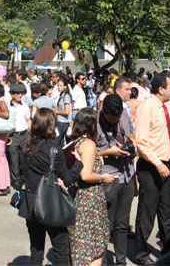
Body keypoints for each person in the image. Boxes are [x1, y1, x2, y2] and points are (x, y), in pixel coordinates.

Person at [19, 108, 83, 266]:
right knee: (61, 248)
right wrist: (79, 164)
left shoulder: (25, 146)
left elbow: (20, 173)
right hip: (50, 202)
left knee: (36, 247)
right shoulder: (54, 149)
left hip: (31, 201)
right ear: (51, 125)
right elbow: (67, 179)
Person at [134, 73, 170, 265]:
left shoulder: (165, 106)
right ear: (160, 89)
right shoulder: (147, 107)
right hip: (150, 166)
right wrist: (158, 164)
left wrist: (167, 162)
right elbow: (141, 143)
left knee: (166, 209)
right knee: (147, 211)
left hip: (164, 164)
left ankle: (169, 246)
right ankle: (141, 252)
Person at [69, 108, 114, 266]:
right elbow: (86, 175)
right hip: (90, 199)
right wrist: (103, 177)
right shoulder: (88, 144)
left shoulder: (77, 141)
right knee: (94, 248)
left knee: (82, 246)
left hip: (79, 198)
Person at [96, 95, 136, 266]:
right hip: (108, 177)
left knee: (122, 223)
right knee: (106, 224)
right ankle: (102, 261)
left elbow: (132, 135)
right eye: (111, 118)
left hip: (127, 174)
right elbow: (86, 150)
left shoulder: (123, 115)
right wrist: (108, 152)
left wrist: (130, 144)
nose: (115, 121)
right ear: (104, 112)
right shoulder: (94, 122)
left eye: (117, 117)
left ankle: (121, 261)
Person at [9, 82, 30, 189]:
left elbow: (28, 120)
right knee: (14, 159)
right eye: (17, 93)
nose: (20, 95)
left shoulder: (25, 106)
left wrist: (30, 134)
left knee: (24, 158)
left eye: (22, 93)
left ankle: (23, 178)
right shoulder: (8, 106)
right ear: (12, 94)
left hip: (24, 134)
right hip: (12, 135)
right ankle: (16, 181)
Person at [56, 76, 73, 145]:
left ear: (65, 86)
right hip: (61, 122)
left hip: (63, 122)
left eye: (60, 85)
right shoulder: (62, 95)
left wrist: (56, 111)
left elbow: (67, 111)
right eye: (58, 85)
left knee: (58, 142)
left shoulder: (66, 96)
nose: (58, 87)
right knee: (61, 142)